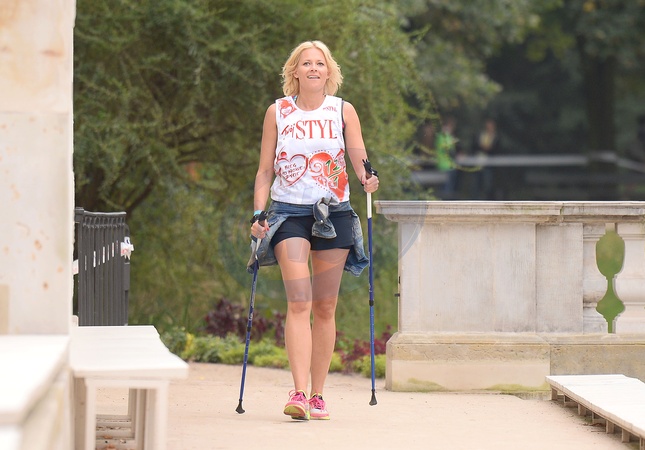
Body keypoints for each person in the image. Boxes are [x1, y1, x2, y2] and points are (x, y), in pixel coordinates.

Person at [249, 40, 379, 421]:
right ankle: (298, 392)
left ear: (328, 71)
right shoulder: (277, 112)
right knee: (299, 301)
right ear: (295, 71)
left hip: (333, 213)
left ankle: (318, 394)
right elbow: (264, 170)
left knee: (324, 306)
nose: (313, 69)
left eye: (319, 64)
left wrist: (368, 179)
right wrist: (258, 213)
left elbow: (360, 159)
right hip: (289, 213)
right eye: (306, 63)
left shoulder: (342, 110)